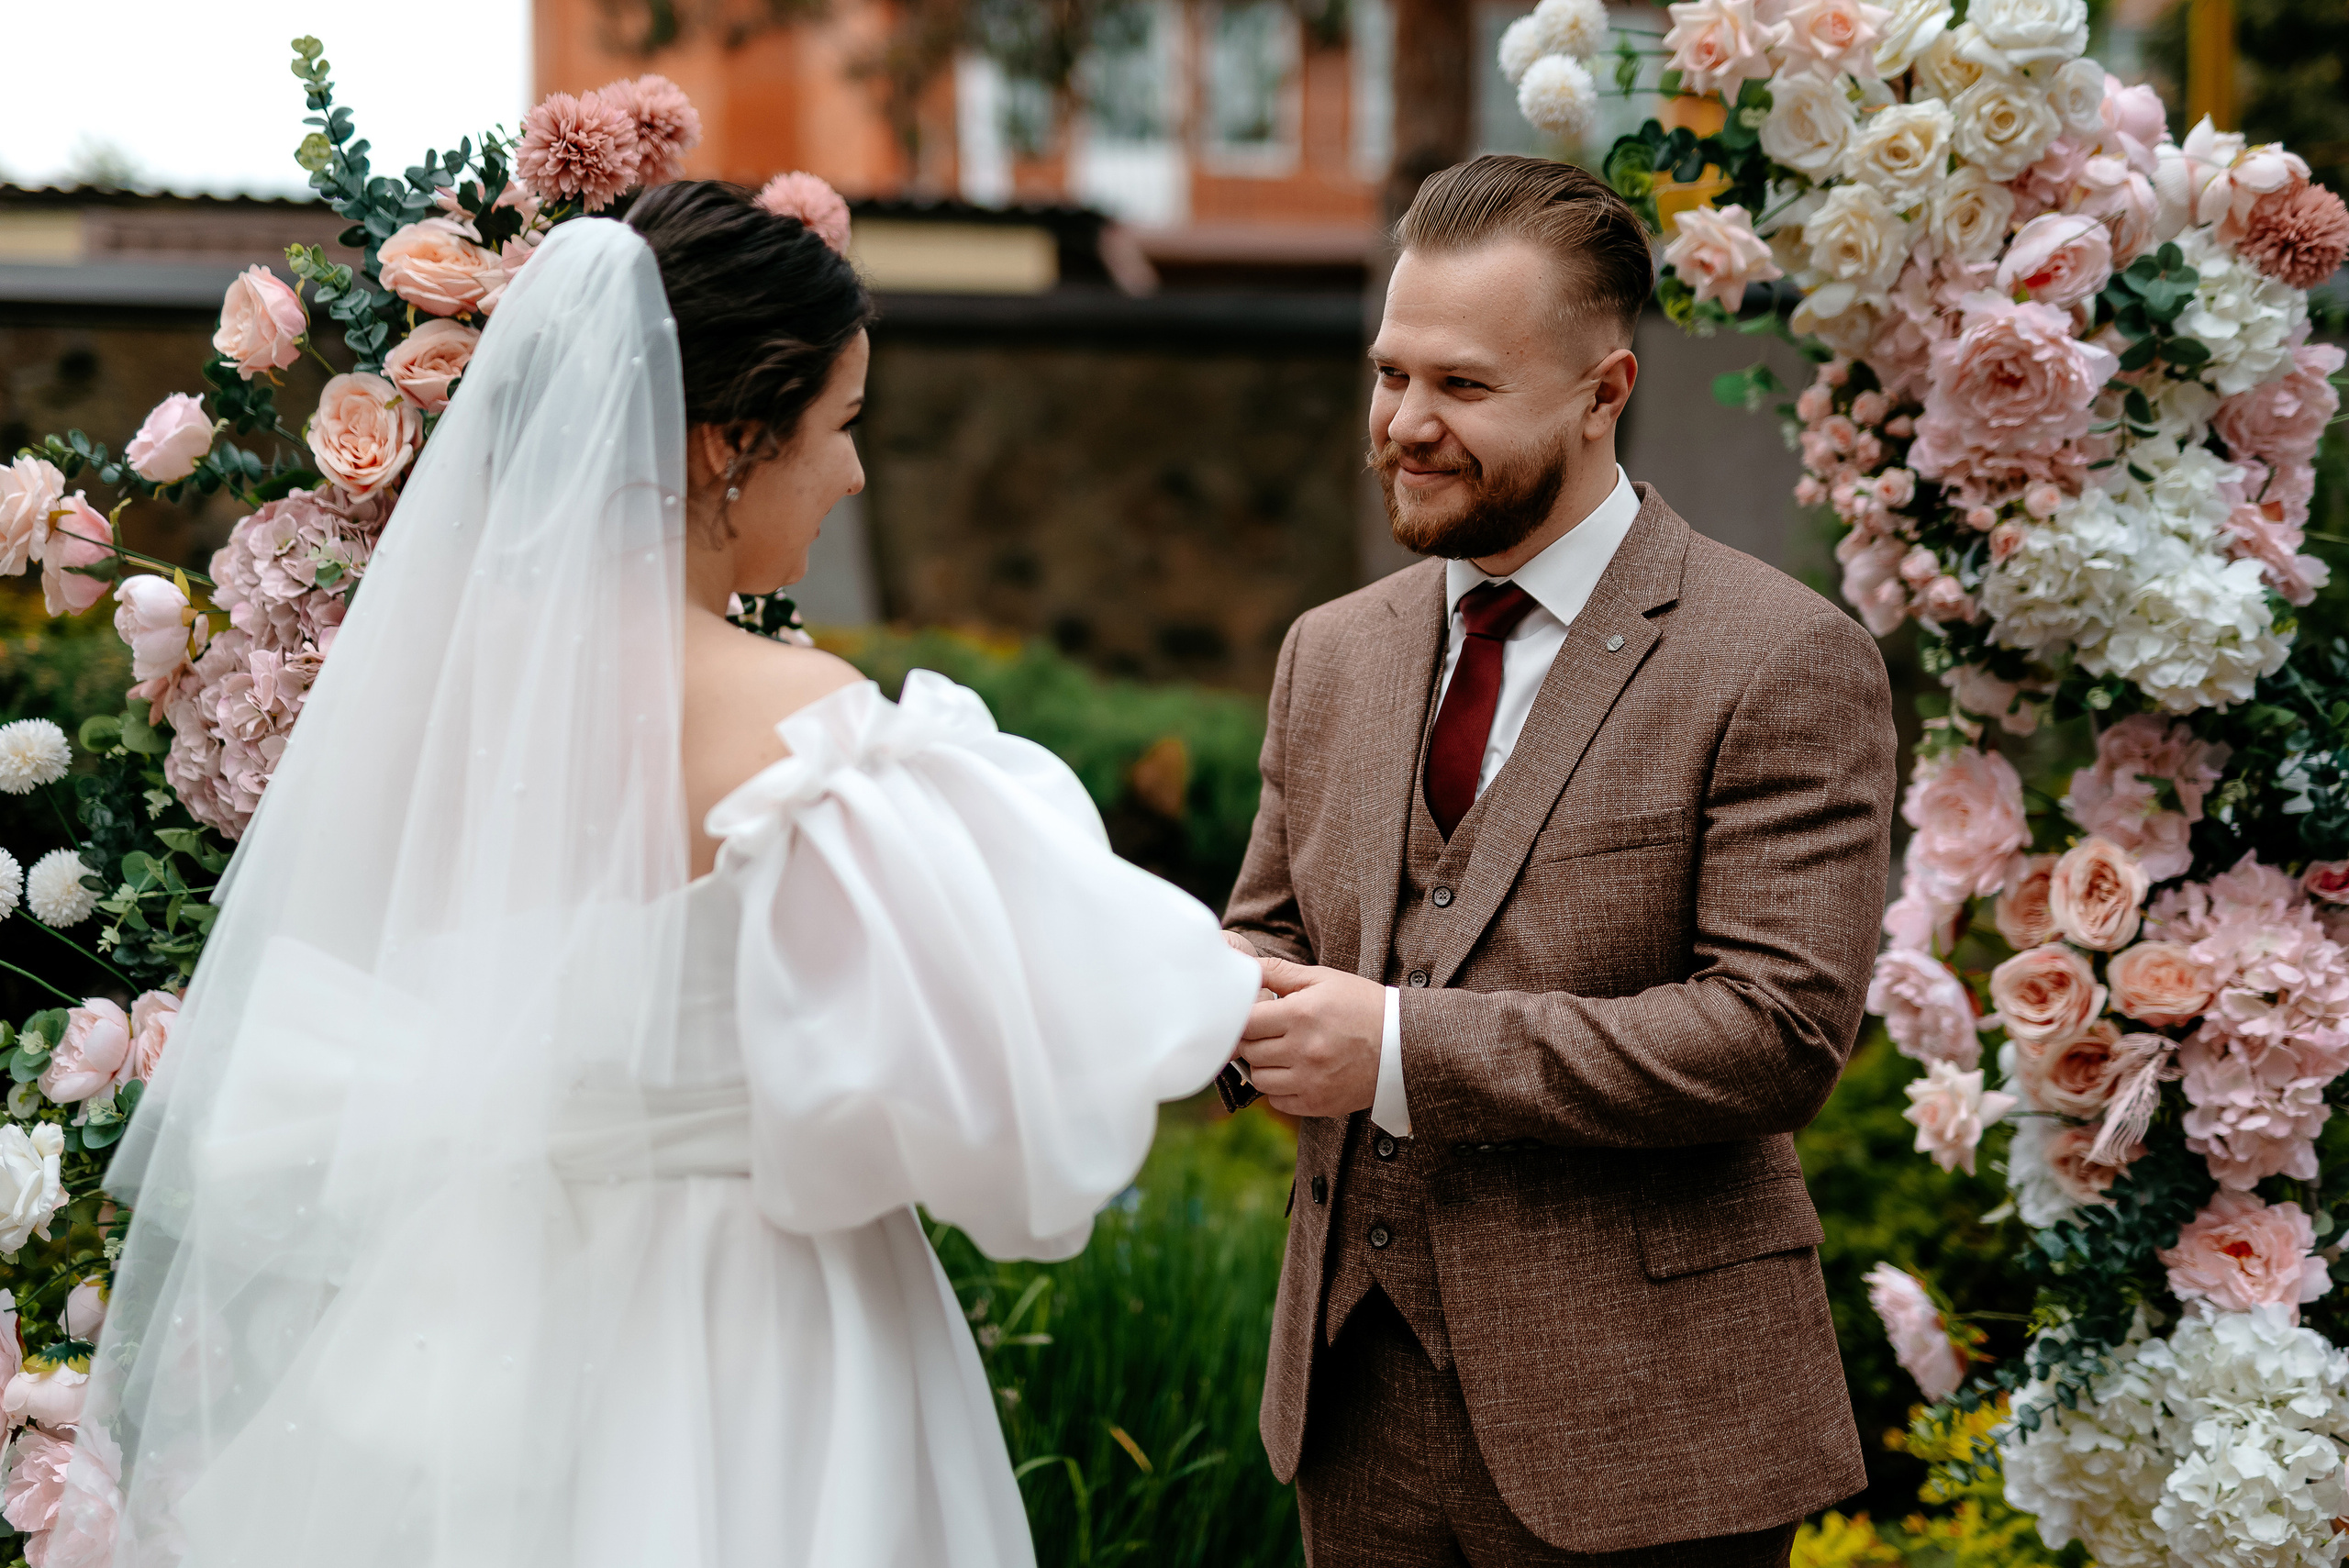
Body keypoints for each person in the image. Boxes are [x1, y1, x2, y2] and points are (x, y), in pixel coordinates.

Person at [61, 183, 1259, 1568]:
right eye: (841, 429)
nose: (855, 477)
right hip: (765, 1332)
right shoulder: (794, 725)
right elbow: (992, 1095)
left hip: (472, 1330)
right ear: (728, 446)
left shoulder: (434, 708)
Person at [1223, 154, 1898, 1566]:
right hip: (1354, 1406)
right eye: (1389, 374)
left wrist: (1403, 1047)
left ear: (1607, 391)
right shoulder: (1330, 650)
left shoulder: (1782, 657)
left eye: (1462, 388)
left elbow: (1776, 1034)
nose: (1405, 424)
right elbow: (1272, 934)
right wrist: (1185, 993)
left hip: (1649, 1428)